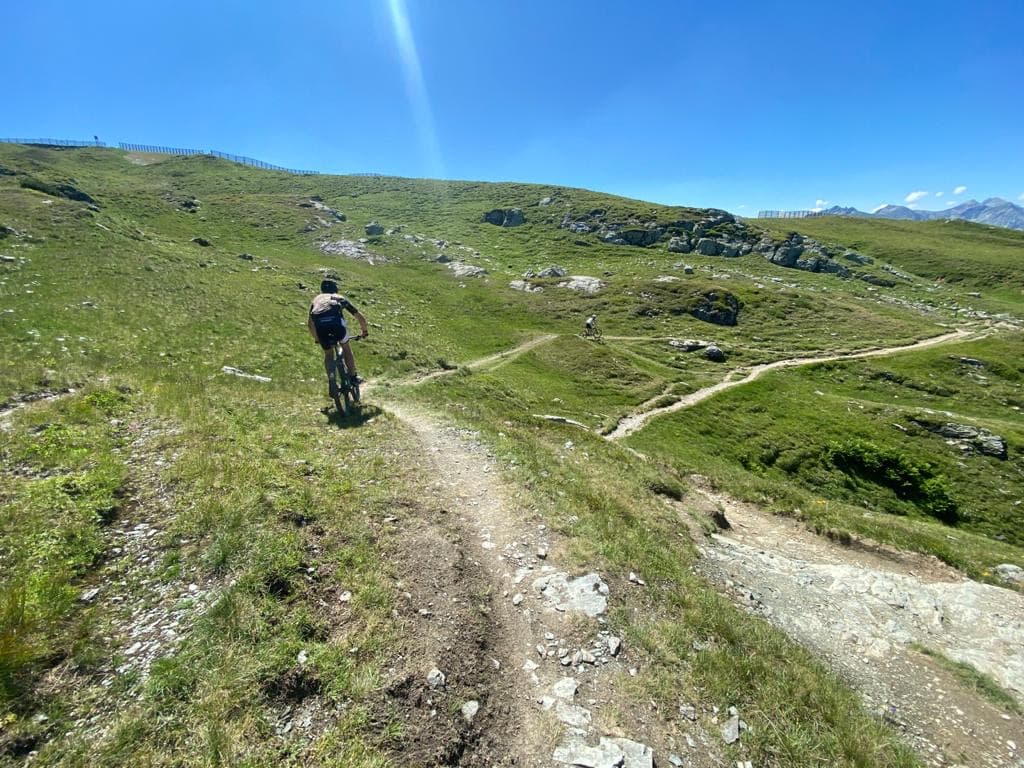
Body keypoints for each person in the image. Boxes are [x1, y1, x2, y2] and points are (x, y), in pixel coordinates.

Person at [308, 279, 369, 398]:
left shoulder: (316, 300)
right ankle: (353, 377)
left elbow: (310, 324)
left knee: (328, 354)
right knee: (346, 348)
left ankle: (332, 382)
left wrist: (317, 338)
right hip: (337, 327)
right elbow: (359, 317)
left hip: (321, 329)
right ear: (335, 289)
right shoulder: (339, 298)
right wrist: (364, 331)